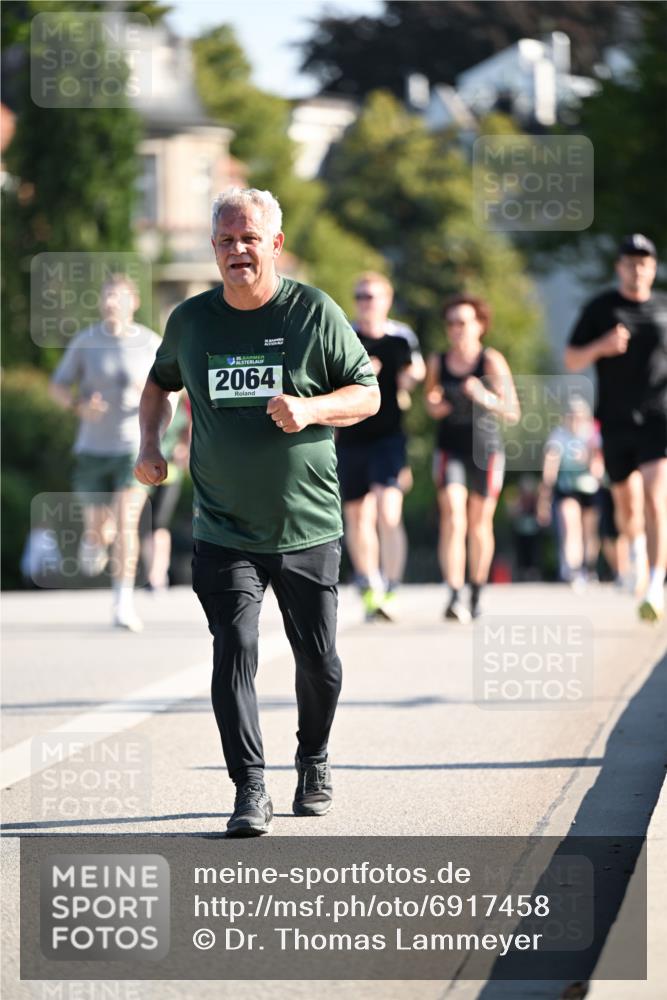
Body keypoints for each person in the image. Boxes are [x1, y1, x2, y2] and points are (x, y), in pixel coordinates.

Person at [135, 187, 380, 836]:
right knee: (234, 648)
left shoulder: (313, 312)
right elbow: (159, 384)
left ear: (273, 244)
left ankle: (314, 756)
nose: (236, 250)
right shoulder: (190, 321)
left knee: (318, 662)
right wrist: (148, 446)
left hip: (306, 525)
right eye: (224, 240)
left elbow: (367, 393)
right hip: (223, 527)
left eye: (248, 238)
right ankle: (249, 789)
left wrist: (311, 409)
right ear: (212, 248)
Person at [565, 234, 667, 621]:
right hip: (615, 418)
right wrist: (601, 347)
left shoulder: (663, 308)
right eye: (629, 261)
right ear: (619, 267)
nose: (637, 268)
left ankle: (656, 584)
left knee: (657, 498)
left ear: (653, 268)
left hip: (659, 417)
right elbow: (572, 358)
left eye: (644, 261)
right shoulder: (601, 309)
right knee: (627, 503)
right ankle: (636, 547)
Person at [50, 273, 160, 631]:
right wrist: (79, 406)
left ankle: (122, 602)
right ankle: (93, 540)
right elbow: (58, 387)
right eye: (107, 296)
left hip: (132, 446)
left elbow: (173, 388)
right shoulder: (86, 342)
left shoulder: (149, 343)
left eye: (119, 297)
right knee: (100, 530)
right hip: (92, 448)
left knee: (127, 521)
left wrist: (161, 417)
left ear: (134, 303)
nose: (112, 302)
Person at [425, 294, 520, 622]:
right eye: (450, 323)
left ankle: (477, 589)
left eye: (462, 322)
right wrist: (435, 405)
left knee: (479, 523)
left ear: (479, 326)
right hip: (449, 448)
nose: (456, 329)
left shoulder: (490, 360)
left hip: (485, 451)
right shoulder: (438, 361)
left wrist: (484, 396)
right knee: (453, 514)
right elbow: (430, 400)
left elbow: (512, 410)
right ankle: (453, 592)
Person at [336, 272, 425, 621]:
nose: (365, 303)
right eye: (360, 296)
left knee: (389, 510)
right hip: (351, 437)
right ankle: (369, 582)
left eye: (372, 296)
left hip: (389, 438)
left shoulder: (401, 338)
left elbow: (414, 372)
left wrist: (411, 379)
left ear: (386, 301)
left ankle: (392, 586)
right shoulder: (346, 336)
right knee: (358, 516)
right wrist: (359, 374)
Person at [537, 396, 603, 589]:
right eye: (571, 416)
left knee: (589, 532)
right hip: (567, 488)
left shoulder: (592, 434)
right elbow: (550, 466)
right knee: (570, 524)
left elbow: (597, 465)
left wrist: (588, 459)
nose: (575, 419)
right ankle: (573, 569)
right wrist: (545, 495)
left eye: (579, 416)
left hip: (589, 488)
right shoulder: (559, 435)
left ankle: (589, 568)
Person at [141, 392, 191, 591]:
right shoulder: (153, 398)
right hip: (145, 471)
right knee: (143, 523)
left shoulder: (186, 402)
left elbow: (190, 428)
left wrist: (183, 448)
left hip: (170, 471)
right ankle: (146, 573)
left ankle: (157, 575)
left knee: (159, 523)